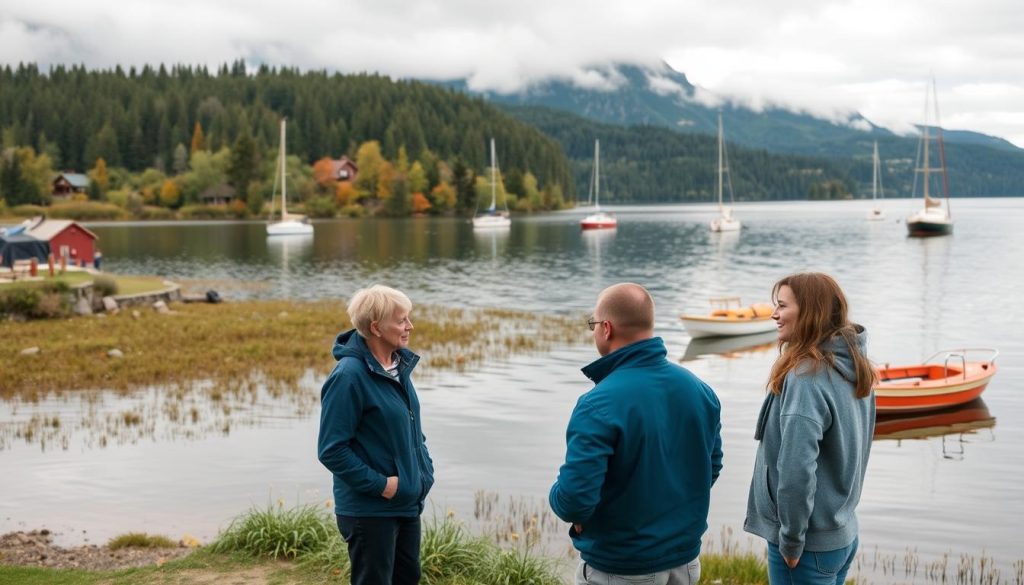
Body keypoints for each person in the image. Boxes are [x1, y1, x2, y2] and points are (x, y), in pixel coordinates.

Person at [550, 283, 723, 585]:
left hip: (622, 567)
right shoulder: (699, 390)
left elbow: (575, 498)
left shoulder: (598, 404)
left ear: (606, 328)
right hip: (685, 561)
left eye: (593, 325)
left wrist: (564, 504)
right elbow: (711, 467)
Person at [744, 272, 877, 585]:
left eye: (782, 306)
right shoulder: (856, 366)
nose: (774, 314)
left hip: (806, 546)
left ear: (810, 312)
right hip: (841, 534)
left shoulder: (806, 378)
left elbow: (795, 472)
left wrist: (791, 540)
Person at [317, 285, 434, 585]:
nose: (410, 326)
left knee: (408, 577)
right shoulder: (348, 376)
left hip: (406, 503)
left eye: (408, 318)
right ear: (376, 327)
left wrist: (423, 471)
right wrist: (382, 485)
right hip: (370, 510)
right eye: (401, 320)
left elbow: (411, 430)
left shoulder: (397, 366)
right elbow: (331, 450)